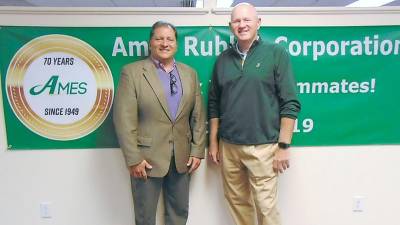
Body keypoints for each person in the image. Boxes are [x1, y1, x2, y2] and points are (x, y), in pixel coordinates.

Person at [208, 3, 301, 225]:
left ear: (258, 23)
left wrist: (284, 146)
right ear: (230, 26)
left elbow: (290, 102)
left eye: (247, 20)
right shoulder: (222, 60)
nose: (242, 25)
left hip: (264, 148)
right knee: (238, 205)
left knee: (266, 208)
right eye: (237, 21)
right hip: (229, 147)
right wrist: (213, 142)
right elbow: (214, 103)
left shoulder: (276, 54)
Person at [113, 21, 206, 225]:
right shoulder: (132, 72)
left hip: (182, 158)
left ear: (177, 44)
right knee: (145, 216)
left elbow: (198, 115)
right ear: (150, 42)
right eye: (159, 38)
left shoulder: (190, 73)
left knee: (179, 214)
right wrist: (134, 158)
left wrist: (197, 150)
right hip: (146, 160)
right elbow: (124, 119)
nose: (165, 43)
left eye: (170, 39)